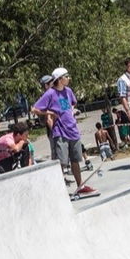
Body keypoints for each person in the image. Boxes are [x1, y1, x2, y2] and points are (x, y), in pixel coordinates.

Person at [34, 67, 94, 196]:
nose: (68, 78)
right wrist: (49, 112)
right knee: (61, 162)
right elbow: (35, 109)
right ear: (59, 79)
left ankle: (80, 186)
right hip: (60, 132)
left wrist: (72, 110)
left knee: (75, 160)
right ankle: (59, 191)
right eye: (66, 76)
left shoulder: (69, 91)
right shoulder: (50, 93)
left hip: (73, 130)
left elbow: (73, 103)